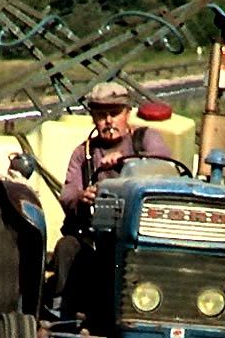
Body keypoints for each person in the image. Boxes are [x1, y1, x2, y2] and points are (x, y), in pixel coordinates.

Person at [51, 81, 172, 313]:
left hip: (142, 234)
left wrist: (126, 160)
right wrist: (81, 196)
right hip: (96, 237)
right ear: (93, 118)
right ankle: (64, 313)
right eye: (101, 115)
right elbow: (67, 193)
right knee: (67, 247)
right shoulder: (84, 153)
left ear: (127, 113)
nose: (108, 121)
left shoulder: (145, 139)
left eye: (115, 113)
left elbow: (164, 165)